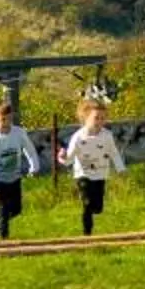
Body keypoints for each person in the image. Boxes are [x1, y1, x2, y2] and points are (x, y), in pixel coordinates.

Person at [60, 97, 126, 236]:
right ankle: (87, 233)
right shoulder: (78, 137)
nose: (100, 122)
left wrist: (121, 168)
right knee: (87, 203)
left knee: (98, 207)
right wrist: (62, 157)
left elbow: (113, 152)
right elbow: (69, 159)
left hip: (100, 174)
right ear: (86, 118)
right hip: (83, 174)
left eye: (103, 118)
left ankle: (92, 211)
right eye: (96, 118)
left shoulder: (107, 136)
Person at [0, 99, 41, 240]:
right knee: (3, 212)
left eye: (9, 119)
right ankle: (4, 241)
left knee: (16, 210)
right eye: (3, 120)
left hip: (14, 178)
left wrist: (34, 167)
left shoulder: (18, 133)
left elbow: (29, 150)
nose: (6, 123)